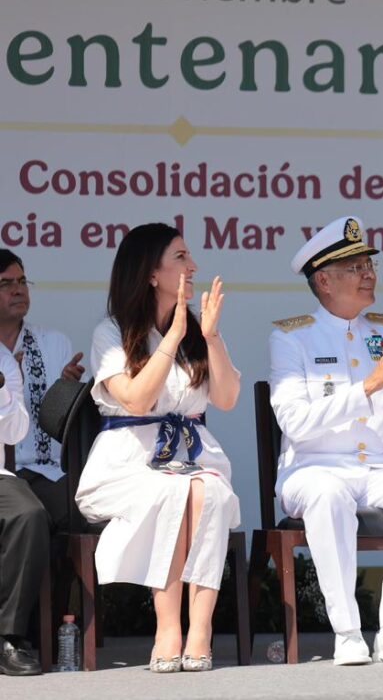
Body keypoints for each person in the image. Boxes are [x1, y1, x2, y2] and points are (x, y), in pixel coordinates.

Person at [269, 215, 383, 666]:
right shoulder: (292, 338)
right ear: (324, 280)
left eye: (370, 264)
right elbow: (295, 422)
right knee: (328, 495)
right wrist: (369, 385)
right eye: (356, 267)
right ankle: (347, 631)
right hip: (315, 468)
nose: (369, 274)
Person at [75, 223, 241, 673]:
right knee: (173, 491)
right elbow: (136, 399)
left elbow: (226, 398)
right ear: (151, 273)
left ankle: (200, 630)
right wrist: (171, 337)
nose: (194, 266)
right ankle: (168, 627)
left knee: (211, 493)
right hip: (128, 464)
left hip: (190, 458)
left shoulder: (194, 336)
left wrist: (209, 336)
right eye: (182, 257)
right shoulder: (112, 332)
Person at [0, 249, 86, 532]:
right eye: (6, 283)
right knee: (27, 516)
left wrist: (65, 393)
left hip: (42, 472)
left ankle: (70, 578)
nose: (18, 290)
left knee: (89, 509)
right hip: (2, 478)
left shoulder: (53, 344)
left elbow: (59, 426)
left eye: (22, 282)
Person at [0, 345, 49, 676]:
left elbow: (16, 431)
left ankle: (8, 637)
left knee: (29, 513)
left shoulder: (2, 358)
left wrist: (1, 388)